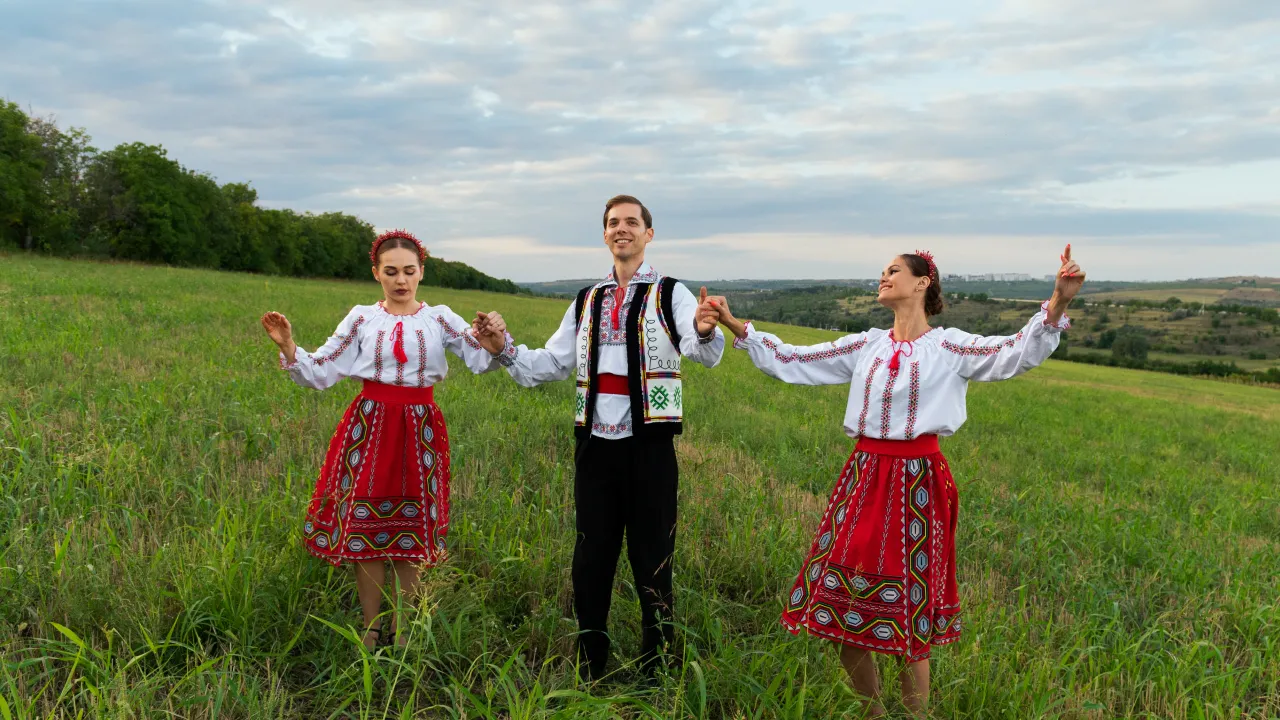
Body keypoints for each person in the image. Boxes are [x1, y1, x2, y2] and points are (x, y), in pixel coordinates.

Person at [704, 246, 1084, 716]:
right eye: (882, 271)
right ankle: (873, 712)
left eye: (894, 271)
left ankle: (914, 716)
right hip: (864, 479)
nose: (883, 277)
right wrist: (734, 324)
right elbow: (796, 358)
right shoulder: (867, 344)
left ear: (923, 282)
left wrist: (1058, 302)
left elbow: (1012, 352)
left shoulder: (949, 346)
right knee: (839, 606)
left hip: (918, 484)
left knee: (909, 619)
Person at [474, 195, 725, 680]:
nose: (621, 229)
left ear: (648, 235)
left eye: (632, 222)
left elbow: (702, 351)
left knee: (653, 556)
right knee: (591, 555)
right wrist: (503, 350)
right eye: (613, 223)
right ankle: (591, 665)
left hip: (650, 444)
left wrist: (704, 328)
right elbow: (550, 362)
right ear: (604, 234)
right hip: (594, 444)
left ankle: (655, 672)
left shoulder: (670, 292)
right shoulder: (588, 299)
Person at [260, 229, 509, 651]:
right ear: (376, 273)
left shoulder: (440, 317)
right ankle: (373, 627)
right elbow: (322, 369)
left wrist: (494, 338)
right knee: (366, 527)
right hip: (370, 426)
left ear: (421, 273)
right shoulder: (361, 318)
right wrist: (289, 347)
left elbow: (481, 356)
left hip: (419, 427)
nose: (401, 280)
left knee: (409, 532)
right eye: (391, 271)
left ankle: (408, 628)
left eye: (409, 271)